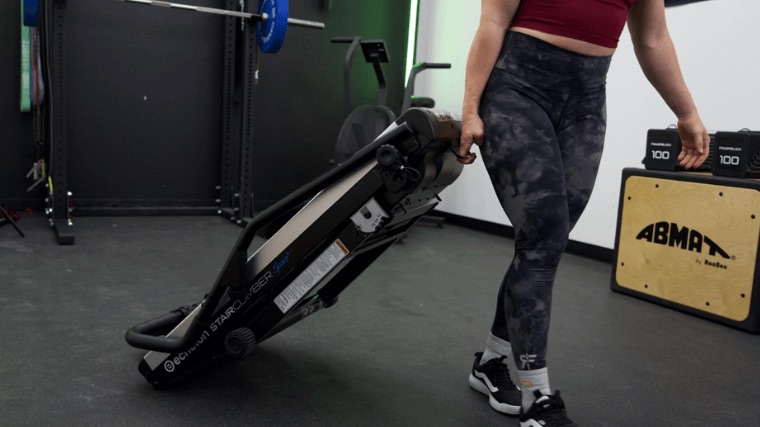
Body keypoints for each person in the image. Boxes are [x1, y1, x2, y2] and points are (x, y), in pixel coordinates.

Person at [457, 0, 710, 426]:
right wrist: (469, 110)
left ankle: (491, 361)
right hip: (517, 90)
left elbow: (652, 39)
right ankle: (535, 397)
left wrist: (686, 112)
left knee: (546, 241)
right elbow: (493, 20)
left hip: (586, 102)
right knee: (544, 230)